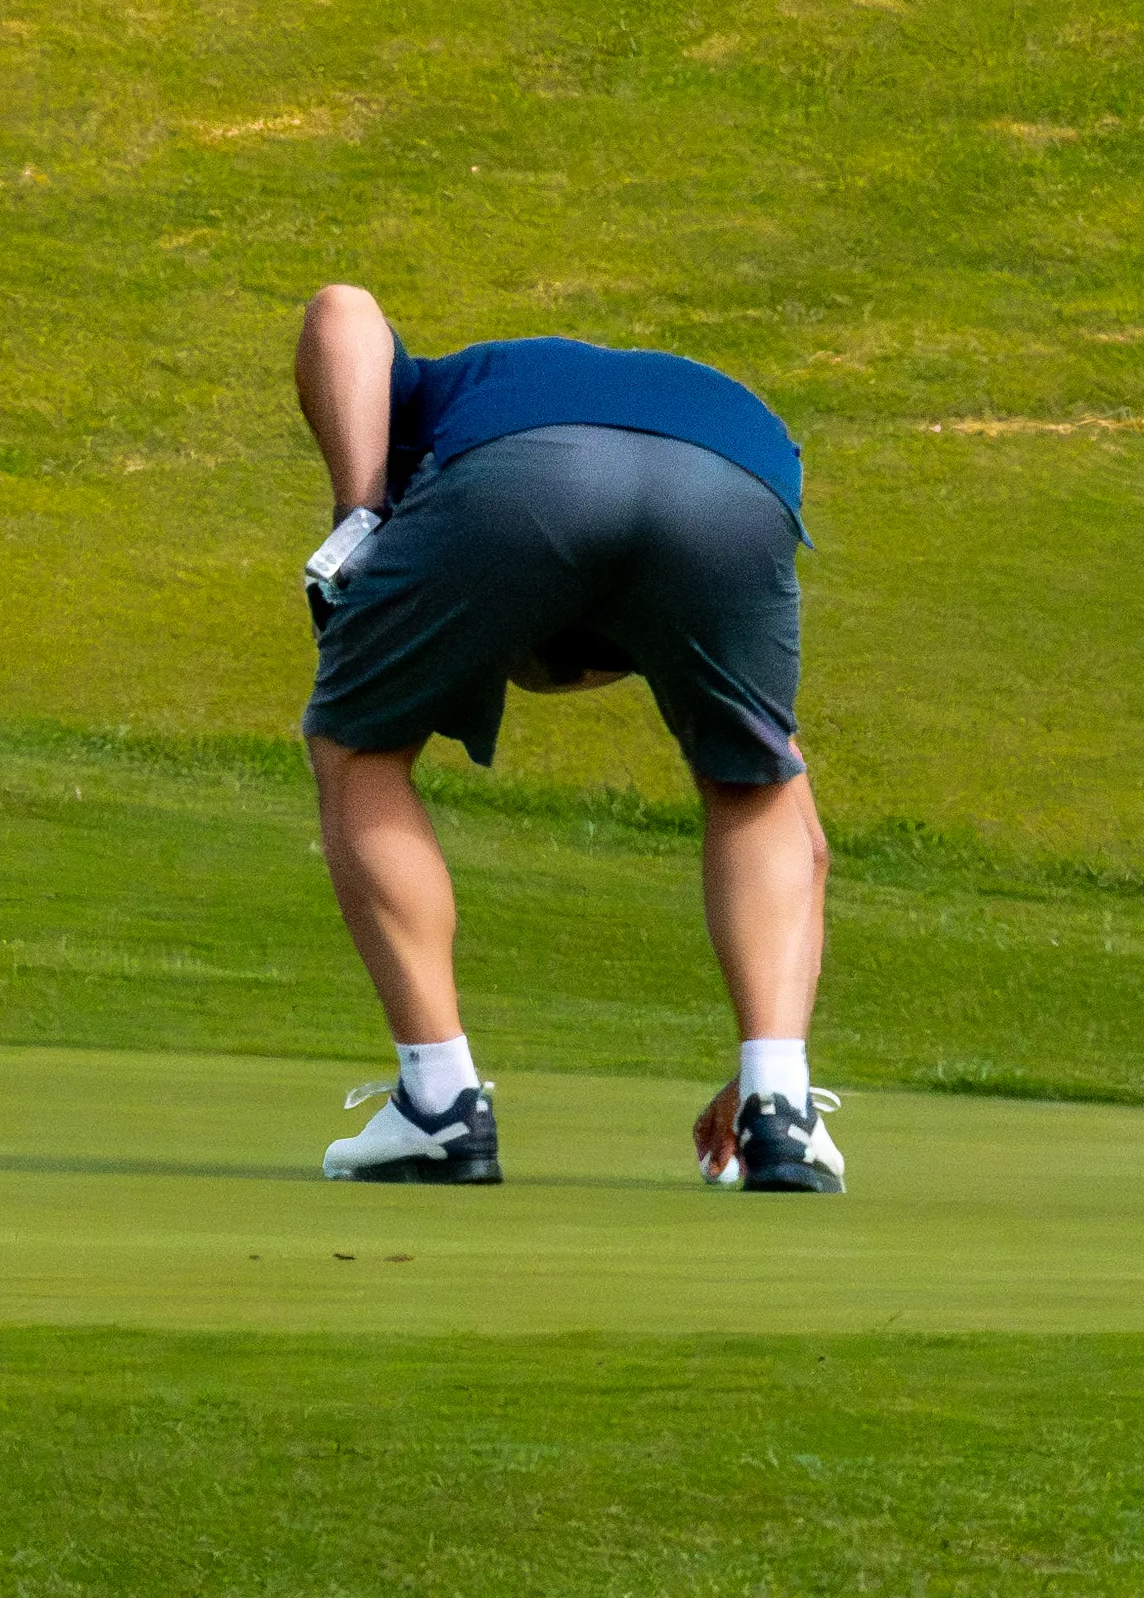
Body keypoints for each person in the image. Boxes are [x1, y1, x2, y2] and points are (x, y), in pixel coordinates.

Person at [286, 288, 844, 1194]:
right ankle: (780, 1107)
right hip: (738, 470)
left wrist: (360, 518)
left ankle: (440, 1103)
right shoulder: (491, 406)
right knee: (755, 783)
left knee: (358, 748)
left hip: (522, 465)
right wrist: (762, 1066)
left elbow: (340, 310)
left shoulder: (426, 403)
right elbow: (805, 845)